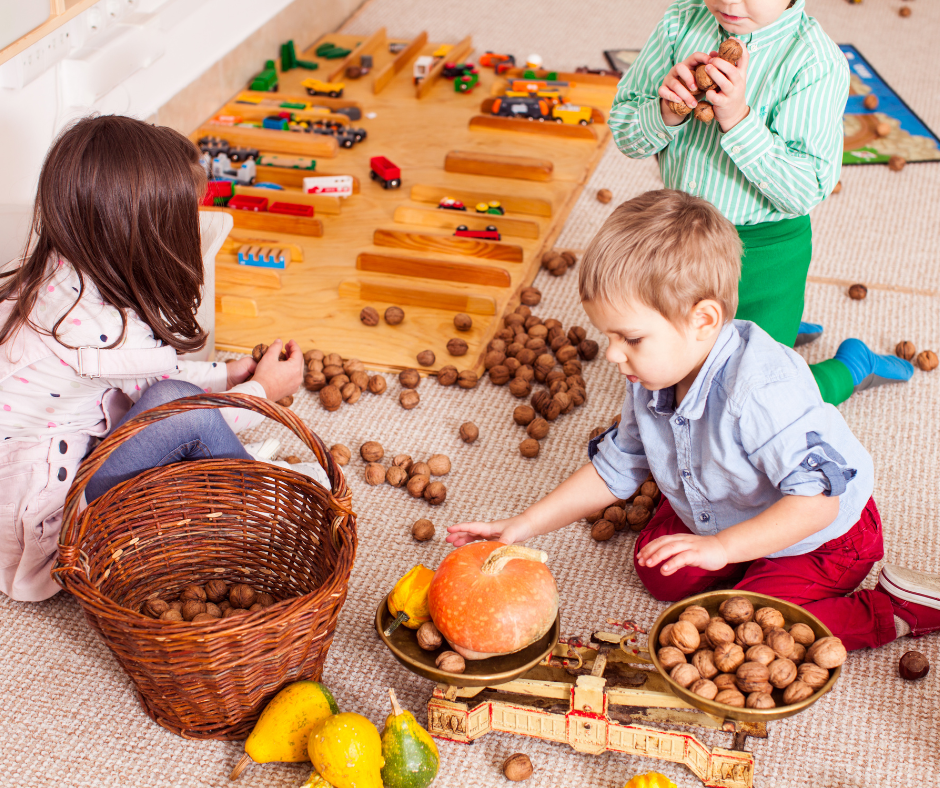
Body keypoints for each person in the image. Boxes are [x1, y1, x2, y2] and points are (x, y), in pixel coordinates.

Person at [447, 191, 940, 650]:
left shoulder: (761, 391)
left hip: (822, 536)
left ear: (703, 320)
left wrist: (722, 547)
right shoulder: (650, 373)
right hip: (733, 506)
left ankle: (895, 608)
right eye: (609, 336)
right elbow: (615, 468)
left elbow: (817, 506)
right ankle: (734, 548)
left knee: (747, 630)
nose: (613, 354)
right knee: (659, 573)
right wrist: (521, 525)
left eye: (631, 338)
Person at [0, 115, 323, 602]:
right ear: (145, 235)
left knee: (173, 396)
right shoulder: (102, 333)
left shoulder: (64, 271)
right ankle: (258, 507)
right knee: (179, 411)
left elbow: (154, 371)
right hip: (45, 529)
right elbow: (175, 407)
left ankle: (224, 478)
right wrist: (263, 392)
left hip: (33, 477)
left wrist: (227, 372)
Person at [607, 0, 913, 406]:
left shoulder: (815, 62)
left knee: (754, 402)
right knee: (668, 380)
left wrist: (739, 119)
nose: (731, 2)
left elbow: (804, 190)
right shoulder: (680, 22)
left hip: (765, 251)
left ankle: (849, 366)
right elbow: (627, 135)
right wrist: (664, 112)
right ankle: (774, 329)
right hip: (679, 242)